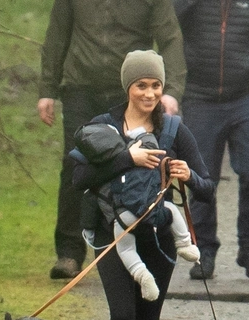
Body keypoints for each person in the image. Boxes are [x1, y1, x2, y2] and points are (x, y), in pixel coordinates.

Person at [72, 50, 215, 320]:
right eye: (142, 85)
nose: (149, 93)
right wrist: (126, 157)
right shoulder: (102, 127)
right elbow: (77, 177)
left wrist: (188, 176)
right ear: (128, 87)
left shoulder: (173, 130)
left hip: (157, 238)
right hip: (111, 235)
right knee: (122, 315)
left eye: (156, 85)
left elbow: (207, 186)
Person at [38, 0, 187, 279]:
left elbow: (170, 38)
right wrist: (47, 88)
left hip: (129, 90)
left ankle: (143, 243)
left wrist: (171, 90)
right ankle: (69, 253)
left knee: (141, 165)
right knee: (74, 165)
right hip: (81, 87)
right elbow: (57, 35)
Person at [174, 0, 249, 280]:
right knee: (201, 177)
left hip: (245, 98)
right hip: (199, 97)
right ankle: (204, 251)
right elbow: (169, 29)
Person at [74, 123, 201, 301]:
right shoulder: (137, 145)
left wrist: (89, 230)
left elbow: (88, 195)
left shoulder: (99, 165)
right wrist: (139, 135)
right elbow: (150, 144)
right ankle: (185, 244)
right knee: (172, 209)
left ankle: (142, 275)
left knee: (126, 250)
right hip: (153, 208)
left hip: (123, 217)